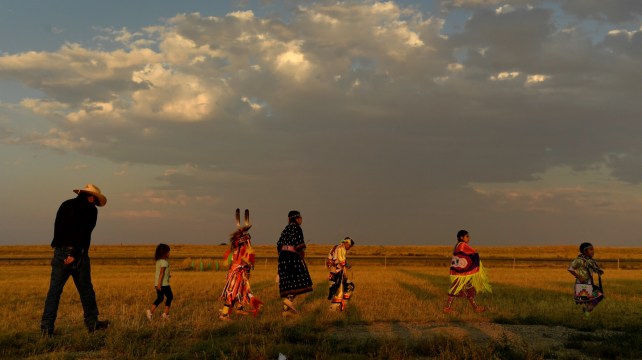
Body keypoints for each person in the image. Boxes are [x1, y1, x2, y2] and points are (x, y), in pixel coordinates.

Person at [41, 184, 109, 336]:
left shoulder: (65, 204)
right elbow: (84, 232)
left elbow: (57, 228)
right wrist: (74, 253)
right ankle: (93, 324)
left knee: (54, 291)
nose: (95, 203)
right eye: (95, 200)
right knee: (86, 290)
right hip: (77, 253)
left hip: (59, 251)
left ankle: (46, 328)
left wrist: (61, 250)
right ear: (91, 197)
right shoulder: (91, 209)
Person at [219, 209, 263, 321]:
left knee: (241, 292)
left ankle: (239, 309)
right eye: (247, 241)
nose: (249, 243)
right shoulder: (241, 248)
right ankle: (224, 315)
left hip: (238, 272)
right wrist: (247, 268)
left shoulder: (238, 247)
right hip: (236, 273)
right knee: (232, 293)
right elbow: (246, 259)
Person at [444, 230, 491, 313]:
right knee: (455, 288)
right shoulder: (462, 245)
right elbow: (474, 252)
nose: (469, 238)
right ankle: (447, 308)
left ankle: (475, 308)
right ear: (462, 237)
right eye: (467, 236)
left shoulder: (457, 245)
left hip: (460, 272)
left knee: (468, 288)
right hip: (461, 273)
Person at [276, 210, 313, 316]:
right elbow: (299, 244)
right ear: (296, 219)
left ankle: (285, 311)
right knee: (298, 281)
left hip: (283, 257)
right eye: (300, 218)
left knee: (290, 283)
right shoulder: (297, 228)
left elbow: (278, 244)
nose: (301, 220)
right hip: (292, 257)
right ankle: (287, 302)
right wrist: (301, 253)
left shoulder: (285, 229)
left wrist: (282, 254)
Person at [568, 242, 604, 316]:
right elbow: (570, 268)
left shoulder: (591, 261)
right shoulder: (579, 260)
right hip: (582, 284)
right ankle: (586, 316)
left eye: (593, 249)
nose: (593, 251)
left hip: (589, 284)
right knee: (589, 301)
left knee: (599, 296)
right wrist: (579, 277)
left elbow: (594, 269)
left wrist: (598, 270)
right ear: (585, 251)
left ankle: (586, 314)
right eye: (591, 249)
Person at [326, 237, 355, 312]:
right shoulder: (341, 248)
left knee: (339, 289)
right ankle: (336, 308)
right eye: (350, 246)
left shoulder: (336, 247)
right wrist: (348, 266)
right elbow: (342, 261)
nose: (350, 248)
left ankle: (339, 306)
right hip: (337, 271)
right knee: (342, 290)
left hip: (333, 271)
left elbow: (330, 260)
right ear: (346, 243)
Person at [146, 243, 173, 321]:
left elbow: (161, 273)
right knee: (170, 296)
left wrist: (167, 276)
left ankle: (150, 312)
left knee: (160, 298)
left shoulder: (159, 261)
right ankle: (165, 314)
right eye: (168, 252)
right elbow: (161, 273)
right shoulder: (164, 262)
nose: (169, 253)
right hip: (163, 284)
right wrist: (159, 285)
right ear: (164, 253)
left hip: (158, 283)